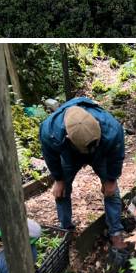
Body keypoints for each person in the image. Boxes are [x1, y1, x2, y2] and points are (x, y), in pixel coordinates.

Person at [39, 97, 126, 248]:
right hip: (70, 155)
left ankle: (115, 231)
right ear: (68, 138)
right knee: (62, 191)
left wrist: (111, 179)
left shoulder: (111, 128)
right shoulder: (50, 132)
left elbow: (116, 154)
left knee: (112, 191)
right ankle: (65, 229)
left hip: (101, 151)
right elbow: (50, 156)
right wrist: (58, 179)